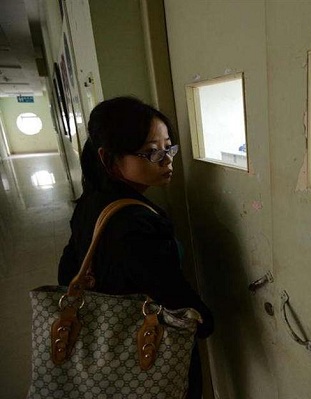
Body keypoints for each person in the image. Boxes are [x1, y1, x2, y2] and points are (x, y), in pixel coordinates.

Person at [58, 96, 213, 398]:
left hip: (106, 341)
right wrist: (206, 321)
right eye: (151, 152)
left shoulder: (92, 202)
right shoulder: (132, 223)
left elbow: (68, 267)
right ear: (108, 159)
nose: (168, 159)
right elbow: (171, 294)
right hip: (148, 346)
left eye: (169, 147)